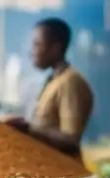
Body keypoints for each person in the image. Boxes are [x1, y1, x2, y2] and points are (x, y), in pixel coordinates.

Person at [9, 18, 94, 158]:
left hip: (65, 172)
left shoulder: (70, 82)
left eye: (37, 45)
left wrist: (29, 129)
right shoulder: (54, 79)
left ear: (55, 48)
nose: (32, 51)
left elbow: (71, 140)